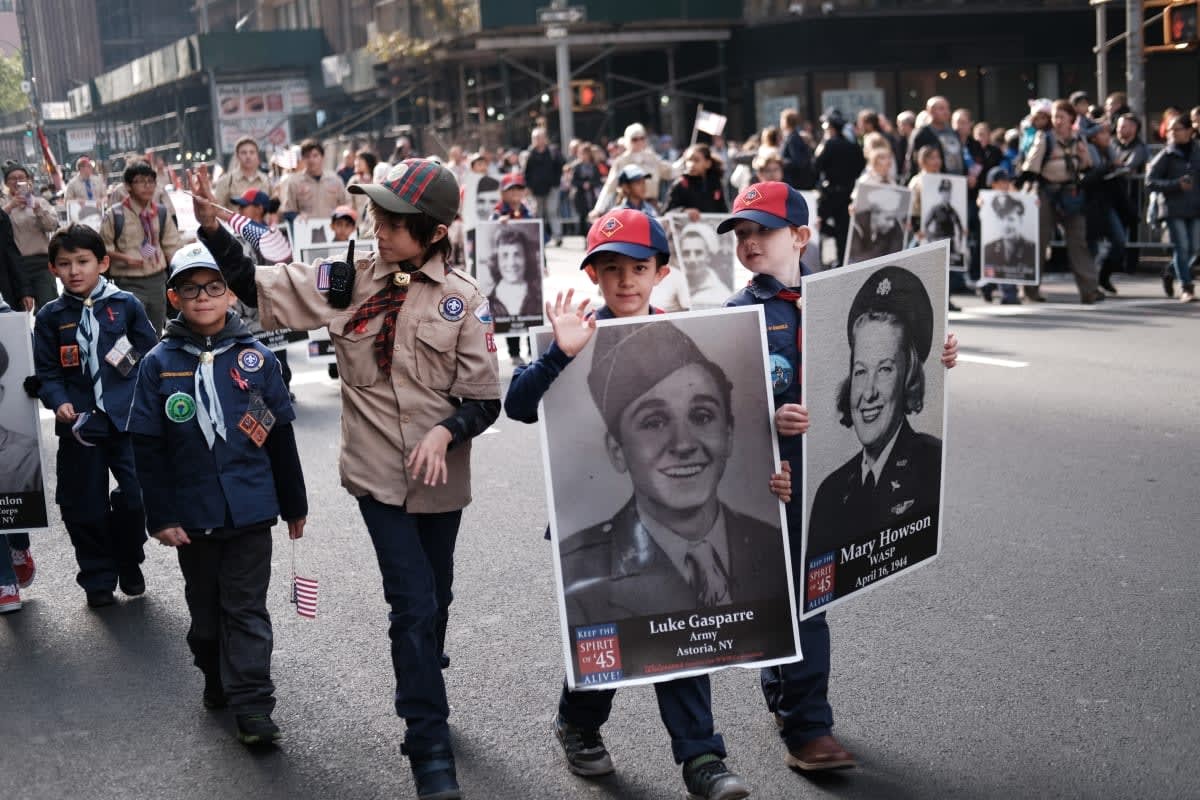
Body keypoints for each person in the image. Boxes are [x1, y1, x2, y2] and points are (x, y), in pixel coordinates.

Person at [191, 158, 499, 799]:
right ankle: (428, 747)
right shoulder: (345, 280)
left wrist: (447, 432)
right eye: (376, 214)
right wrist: (213, 233)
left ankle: (422, 675)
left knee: (435, 600)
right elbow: (256, 284)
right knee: (411, 604)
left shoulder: (462, 299)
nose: (377, 227)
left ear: (433, 230)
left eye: (392, 220)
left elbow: (484, 398)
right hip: (376, 475)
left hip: (442, 479)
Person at [504, 207, 778, 800]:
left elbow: (755, 420)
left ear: (660, 272)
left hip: (694, 532)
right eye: (610, 269)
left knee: (684, 637)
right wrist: (559, 354)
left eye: (638, 268)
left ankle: (702, 758)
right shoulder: (579, 332)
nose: (625, 280)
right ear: (594, 277)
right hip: (602, 531)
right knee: (603, 644)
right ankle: (578, 726)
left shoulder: (692, 335)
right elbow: (519, 405)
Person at [718, 181, 957, 774]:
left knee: (808, 601)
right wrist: (767, 417)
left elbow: (892, 376)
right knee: (778, 599)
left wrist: (942, 359)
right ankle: (802, 720)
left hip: (817, 476)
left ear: (800, 236)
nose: (749, 242)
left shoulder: (835, 304)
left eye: (762, 231)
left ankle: (804, 722)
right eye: (742, 233)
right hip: (766, 480)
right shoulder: (736, 314)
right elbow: (719, 412)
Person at [127, 242, 307, 746]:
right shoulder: (158, 364)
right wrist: (158, 516)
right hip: (193, 515)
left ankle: (254, 705)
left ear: (229, 294)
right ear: (174, 297)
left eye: (212, 287)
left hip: (251, 508)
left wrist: (294, 502)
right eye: (191, 289)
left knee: (246, 608)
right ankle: (214, 674)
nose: (203, 297)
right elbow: (148, 447)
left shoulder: (256, 359)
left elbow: (280, 435)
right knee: (206, 616)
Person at [34, 224, 158, 608]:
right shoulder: (51, 316)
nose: (75, 270)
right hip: (81, 427)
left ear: (103, 263)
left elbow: (151, 354)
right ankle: (97, 578)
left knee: (138, 497)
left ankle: (128, 558)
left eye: (83, 261)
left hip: (127, 421)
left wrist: (135, 381)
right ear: (53, 268)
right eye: (65, 263)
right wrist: (58, 400)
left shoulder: (125, 305)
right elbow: (47, 372)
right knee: (83, 505)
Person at [807, 267, 945, 558]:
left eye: (884, 369)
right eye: (860, 371)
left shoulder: (931, 467)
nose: (868, 392)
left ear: (908, 376)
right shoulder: (829, 494)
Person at [1020, 99, 1100, 304]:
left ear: (1071, 119)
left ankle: (1089, 290)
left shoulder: (1078, 139)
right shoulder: (1044, 138)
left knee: (1078, 242)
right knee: (1039, 242)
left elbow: (1087, 167)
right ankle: (1030, 290)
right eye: (1055, 117)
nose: (1057, 121)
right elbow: (1031, 169)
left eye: (1062, 117)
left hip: (1071, 194)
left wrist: (1083, 155)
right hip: (1046, 193)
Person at [100, 161, 183, 331]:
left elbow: (171, 246)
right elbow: (103, 248)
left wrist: (179, 276)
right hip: (128, 282)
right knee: (134, 329)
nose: (147, 186)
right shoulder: (115, 215)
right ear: (128, 186)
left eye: (150, 181)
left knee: (156, 329)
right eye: (140, 181)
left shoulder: (160, 212)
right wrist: (125, 259)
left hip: (157, 280)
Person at [1146, 116, 1200, 302]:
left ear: (1189, 131)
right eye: (1170, 130)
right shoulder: (1166, 155)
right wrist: (1175, 184)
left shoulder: (1197, 151)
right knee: (1182, 247)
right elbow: (1150, 181)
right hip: (1173, 208)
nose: (1173, 133)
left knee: (1194, 249)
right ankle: (1187, 287)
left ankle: (1170, 270)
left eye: (1177, 129)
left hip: (1195, 207)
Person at [590, 123, 677, 218]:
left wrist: (687, 161)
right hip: (630, 207)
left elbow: (671, 172)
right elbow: (610, 186)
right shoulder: (621, 161)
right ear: (628, 140)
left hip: (652, 206)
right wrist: (598, 209)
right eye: (635, 139)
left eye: (642, 138)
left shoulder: (652, 158)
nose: (639, 141)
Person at [4, 163, 60, 309]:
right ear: (6, 183)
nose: (17, 182)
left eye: (21, 178)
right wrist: (10, 207)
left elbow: (52, 225)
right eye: (12, 179)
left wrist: (37, 209)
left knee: (49, 307)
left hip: (41, 263)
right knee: (16, 311)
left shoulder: (40, 202)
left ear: (29, 181)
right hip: (13, 266)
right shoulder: (3, 205)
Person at [814, 109, 866, 267]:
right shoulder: (853, 145)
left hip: (831, 194)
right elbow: (860, 166)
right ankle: (842, 260)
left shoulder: (828, 145)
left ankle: (835, 260)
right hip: (848, 192)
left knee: (820, 224)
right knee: (843, 229)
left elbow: (816, 166)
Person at [979, 170, 1030, 305]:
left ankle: (989, 286)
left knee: (1006, 266)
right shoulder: (989, 198)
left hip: (1011, 240)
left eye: (1007, 181)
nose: (1006, 185)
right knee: (999, 266)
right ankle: (1007, 293)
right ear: (993, 184)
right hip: (996, 240)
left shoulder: (1013, 198)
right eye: (1002, 182)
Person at [279, 139, 350, 220]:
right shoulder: (294, 182)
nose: (311, 160)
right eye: (307, 156)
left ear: (322, 157)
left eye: (315, 155)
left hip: (332, 229)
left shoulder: (336, 180)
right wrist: (297, 217)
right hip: (305, 229)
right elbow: (288, 211)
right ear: (302, 159)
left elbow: (345, 207)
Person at [523, 127, 566, 246]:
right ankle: (540, 237)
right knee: (539, 213)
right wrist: (527, 187)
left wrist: (557, 180)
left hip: (552, 187)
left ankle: (557, 236)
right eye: (535, 138)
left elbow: (562, 165)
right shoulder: (529, 154)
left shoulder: (553, 151)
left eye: (540, 137)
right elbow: (526, 172)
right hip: (536, 189)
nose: (537, 140)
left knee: (552, 211)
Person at [665, 144, 729, 219]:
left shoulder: (716, 184)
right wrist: (683, 211)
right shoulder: (680, 184)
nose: (691, 164)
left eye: (696, 160)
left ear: (708, 163)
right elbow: (667, 212)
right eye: (689, 160)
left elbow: (723, 211)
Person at [848, 185, 907, 264]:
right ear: (876, 213)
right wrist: (881, 245)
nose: (891, 223)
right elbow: (856, 259)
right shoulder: (857, 224)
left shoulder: (894, 226)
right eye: (888, 218)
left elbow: (896, 256)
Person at [676, 221, 730, 306]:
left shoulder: (722, 296)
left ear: (708, 257)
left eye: (698, 253)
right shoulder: (673, 285)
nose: (692, 259)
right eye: (686, 253)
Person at [213, 137, 271, 208]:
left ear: (257, 155)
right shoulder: (226, 181)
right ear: (237, 156)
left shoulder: (266, 180)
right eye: (244, 153)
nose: (248, 156)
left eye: (252, 152)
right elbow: (218, 209)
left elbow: (271, 210)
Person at [923, 177, 966, 266]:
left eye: (948, 192)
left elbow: (961, 228)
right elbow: (925, 226)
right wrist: (931, 241)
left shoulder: (953, 211)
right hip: (939, 243)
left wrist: (959, 245)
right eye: (944, 192)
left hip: (952, 246)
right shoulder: (935, 209)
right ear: (941, 193)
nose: (947, 194)